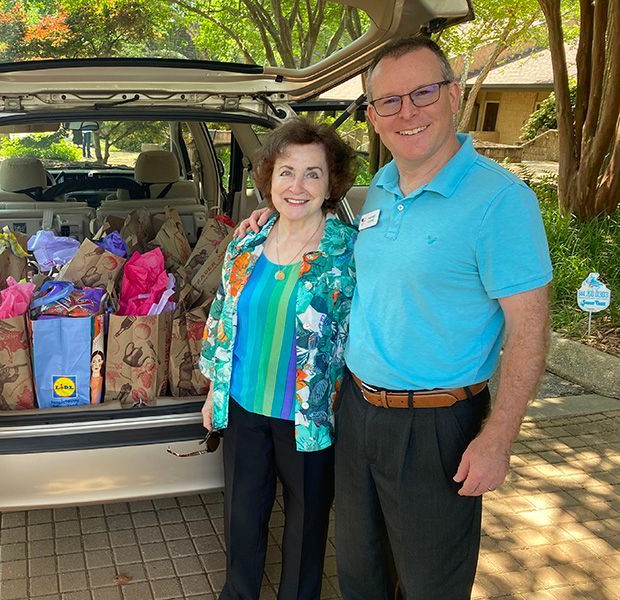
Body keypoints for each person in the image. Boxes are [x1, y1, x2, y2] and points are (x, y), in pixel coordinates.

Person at [237, 37, 552, 600]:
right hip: (357, 412)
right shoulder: (381, 187)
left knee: (430, 582)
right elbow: (325, 240)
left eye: (422, 92)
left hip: (436, 426)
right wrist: (271, 218)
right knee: (359, 571)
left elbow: (530, 330)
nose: (407, 112)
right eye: (389, 101)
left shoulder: (501, 201)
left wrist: (499, 438)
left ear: (453, 95)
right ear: (373, 116)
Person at [199, 117, 358, 600]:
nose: (297, 186)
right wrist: (213, 393)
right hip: (243, 408)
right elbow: (222, 318)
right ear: (269, 178)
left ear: (331, 183)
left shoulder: (349, 252)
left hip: (308, 417)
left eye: (313, 173)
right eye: (286, 172)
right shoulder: (246, 242)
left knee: (307, 527)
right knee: (242, 517)